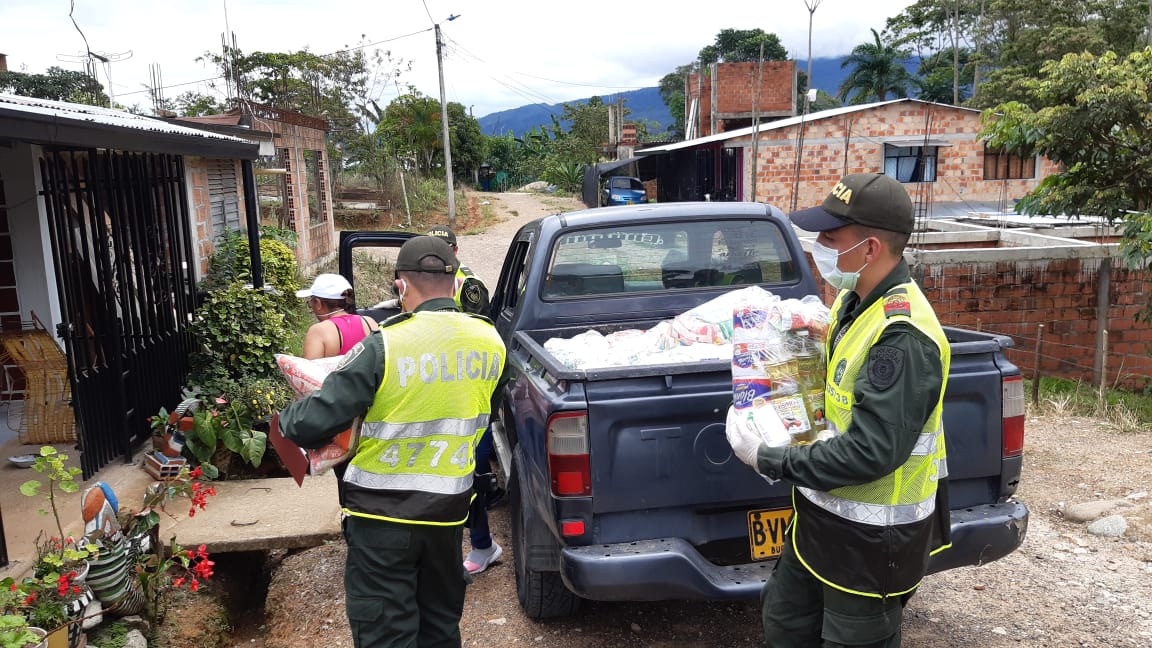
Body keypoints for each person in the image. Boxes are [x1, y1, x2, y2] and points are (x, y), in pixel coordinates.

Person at [725, 173, 952, 647]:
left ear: (869, 249)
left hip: (871, 545)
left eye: (831, 238)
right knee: (784, 622)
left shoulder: (902, 336)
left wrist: (767, 458)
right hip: (820, 523)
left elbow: (871, 452)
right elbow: (841, 396)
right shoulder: (853, 301)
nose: (819, 247)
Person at [278, 236, 506, 648]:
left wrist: (286, 415)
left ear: (401, 286)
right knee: (439, 626)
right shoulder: (490, 341)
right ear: (455, 283)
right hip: (447, 515)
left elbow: (305, 425)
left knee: (386, 631)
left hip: (382, 519)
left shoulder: (385, 344)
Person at [425, 225, 503, 575]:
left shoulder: (467, 286)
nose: (435, 256)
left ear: (455, 251)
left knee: (468, 476)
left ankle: (481, 545)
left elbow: (477, 335)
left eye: (441, 249)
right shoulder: (422, 282)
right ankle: (471, 545)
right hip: (438, 390)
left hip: (466, 391)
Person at [296, 273, 378, 359]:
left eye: (311, 302)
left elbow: (308, 371)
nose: (311, 307)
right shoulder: (369, 323)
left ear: (318, 303)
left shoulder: (318, 331)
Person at [425, 225, 491, 317]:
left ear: (455, 250)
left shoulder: (470, 283)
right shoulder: (418, 275)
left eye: (442, 249)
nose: (435, 253)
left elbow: (480, 326)